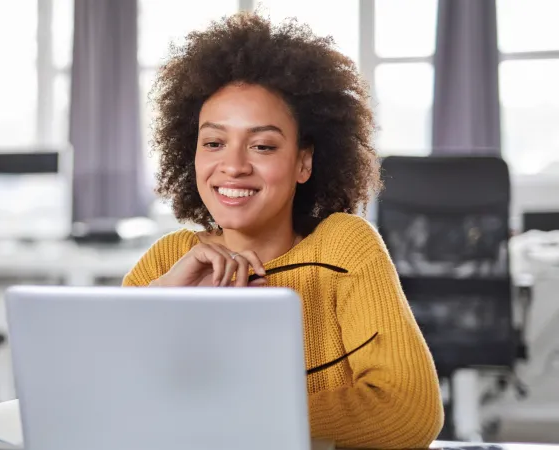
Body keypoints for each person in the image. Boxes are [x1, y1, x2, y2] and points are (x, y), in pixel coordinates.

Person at [123, 11, 443, 449]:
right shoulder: (167, 261)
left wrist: (228, 416)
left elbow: (408, 412)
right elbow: (110, 407)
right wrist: (160, 305)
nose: (233, 166)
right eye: (213, 143)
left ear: (303, 162)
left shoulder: (345, 248)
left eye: (262, 146)